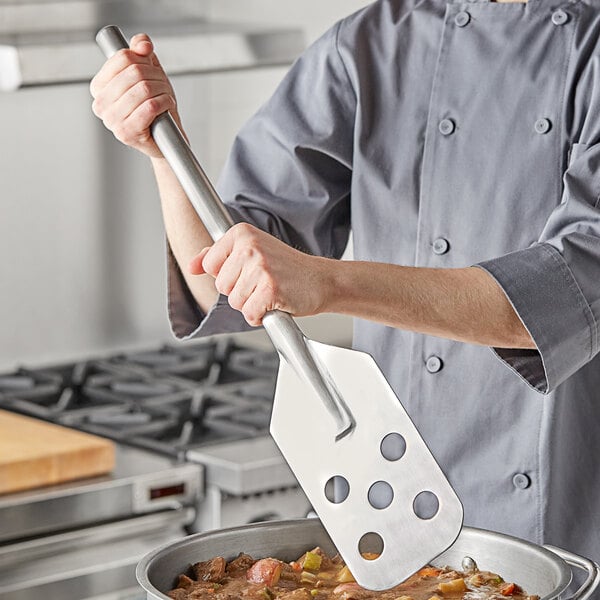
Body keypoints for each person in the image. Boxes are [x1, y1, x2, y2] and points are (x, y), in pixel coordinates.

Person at [91, 0, 600, 567]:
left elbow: (564, 292)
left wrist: (326, 282)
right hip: (387, 517)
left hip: (565, 531)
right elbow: (225, 282)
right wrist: (164, 150)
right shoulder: (371, 45)